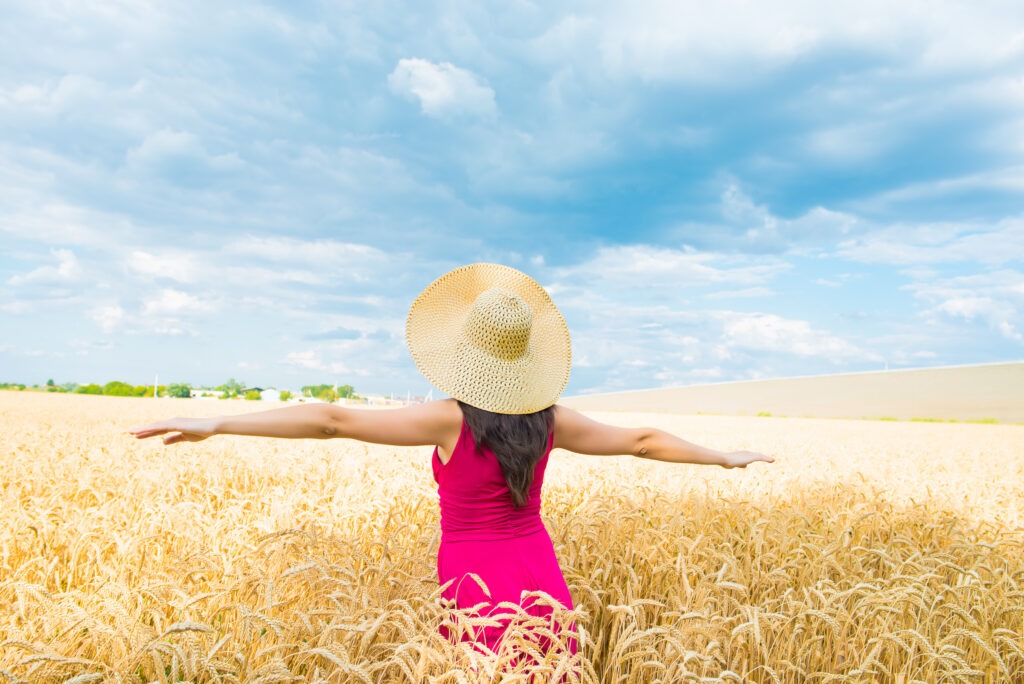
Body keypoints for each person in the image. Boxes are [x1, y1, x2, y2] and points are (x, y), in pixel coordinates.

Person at [130, 262, 773, 665]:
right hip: (538, 570)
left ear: (465, 354)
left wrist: (217, 421)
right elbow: (643, 440)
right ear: (526, 360)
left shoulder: (449, 420)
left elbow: (332, 420)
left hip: (473, 578)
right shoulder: (553, 420)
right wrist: (723, 458)